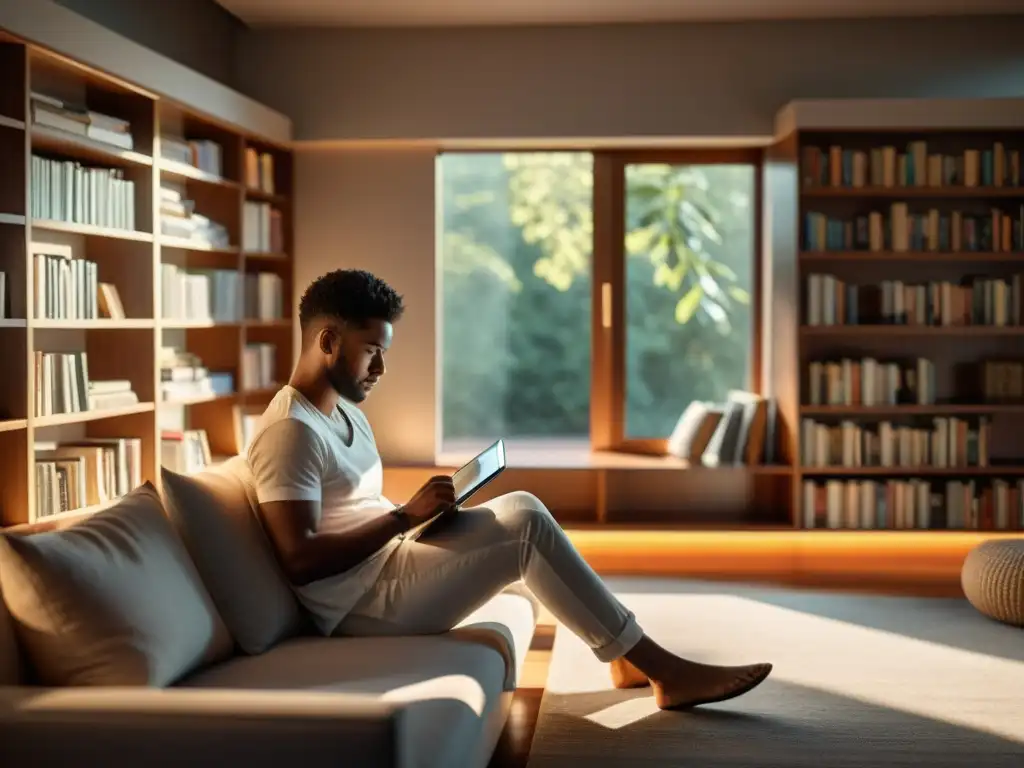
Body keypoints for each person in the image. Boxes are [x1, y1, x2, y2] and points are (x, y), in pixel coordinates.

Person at [247, 269, 772, 710]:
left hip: (388, 564)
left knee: (520, 508)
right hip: (360, 609)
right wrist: (404, 519)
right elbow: (299, 559)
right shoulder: (290, 432)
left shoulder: (344, 413)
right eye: (371, 352)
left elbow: (351, 508)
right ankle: (661, 669)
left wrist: (423, 518)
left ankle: (625, 656)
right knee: (523, 529)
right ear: (328, 342)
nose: (381, 369)